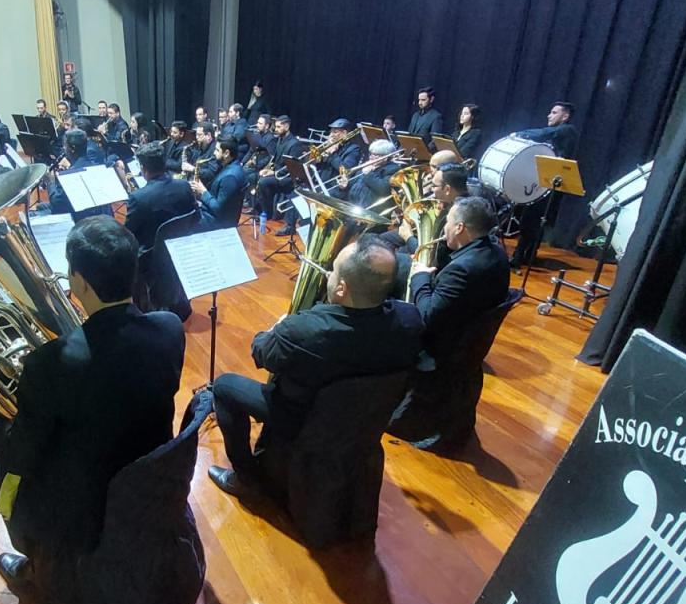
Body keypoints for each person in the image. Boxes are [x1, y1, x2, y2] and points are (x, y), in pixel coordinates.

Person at [0, 216, 186, 588]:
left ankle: (39, 559)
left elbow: (18, 457)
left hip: (84, 508)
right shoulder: (170, 327)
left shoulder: (47, 364)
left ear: (78, 282)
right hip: (150, 477)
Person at [207, 235, 423, 493]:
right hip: (361, 420)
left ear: (341, 288)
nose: (328, 274)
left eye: (333, 270)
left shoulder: (302, 332)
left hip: (305, 419)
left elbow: (260, 353)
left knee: (224, 386)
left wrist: (276, 329)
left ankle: (246, 478)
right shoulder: (411, 319)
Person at [408, 196, 510, 357]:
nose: (444, 227)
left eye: (447, 222)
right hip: (469, 337)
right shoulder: (498, 252)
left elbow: (426, 317)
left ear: (459, 227)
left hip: (442, 346)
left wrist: (419, 276)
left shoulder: (460, 270)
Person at [509, 101, 579, 267]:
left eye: (554, 113)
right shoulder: (558, 133)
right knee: (532, 221)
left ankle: (521, 257)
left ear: (565, 116)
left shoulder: (566, 130)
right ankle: (525, 256)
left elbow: (543, 133)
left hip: (551, 185)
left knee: (533, 220)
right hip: (545, 183)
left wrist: (519, 134)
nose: (549, 115)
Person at [124, 143, 196, 250]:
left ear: (143, 168)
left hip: (151, 252)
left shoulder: (138, 197)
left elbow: (128, 233)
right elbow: (195, 217)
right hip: (182, 243)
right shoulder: (184, 185)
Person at [257, 115, 302, 227]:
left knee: (264, 182)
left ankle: (267, 213)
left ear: (286, 127)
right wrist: (268, 169)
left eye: (278, 127)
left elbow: (291, 167)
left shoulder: (295, 144)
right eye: (275, 127)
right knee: (260, 176)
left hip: (287, 178)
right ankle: (265, 211)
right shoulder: (280, 140)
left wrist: (274, 173)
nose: (275, 129)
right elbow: (275, 159)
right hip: (278, 173)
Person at [191, 139, 246, 229]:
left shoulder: (230, 178)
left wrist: (203, 191)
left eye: (217, 150)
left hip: (217, 222)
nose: (214, 153)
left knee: (183, 219)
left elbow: (218, 209)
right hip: (216, 216)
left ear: (226, 153)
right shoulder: (231, 167)